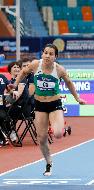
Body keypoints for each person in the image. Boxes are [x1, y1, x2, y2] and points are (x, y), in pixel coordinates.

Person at [8, 44, 86, 176]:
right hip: (40, 105)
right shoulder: (35, 65)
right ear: (42, 54)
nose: (47, 56)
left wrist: (77, 98)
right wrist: (14, 85)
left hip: (54, 104)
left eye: (51, 54)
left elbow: (69, 83)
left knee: (57, 134)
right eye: (45, 53)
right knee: (42, 138)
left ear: (55, 57)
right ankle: (49, 162)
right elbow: (23, 72)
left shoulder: (59, 69)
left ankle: (59, 126)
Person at [0, 73, 9, 147]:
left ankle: (3, 137)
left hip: (1, 107)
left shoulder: (2, 77)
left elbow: (10, 88)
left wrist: (13, 91)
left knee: (2, 116)